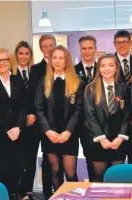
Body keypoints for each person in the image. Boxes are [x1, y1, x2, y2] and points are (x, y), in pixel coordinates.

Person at [35, 46, 84, 191]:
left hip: (69, 135)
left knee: (70, 174)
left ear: (67, 60)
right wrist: (47, 131)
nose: (57, 61)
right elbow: (39, 108)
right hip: (50, 135)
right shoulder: (43, 81)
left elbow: (79, 110)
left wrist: (68, 131)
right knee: (55, 172)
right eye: (54, 57)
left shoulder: (77, 82)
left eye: (61, 58)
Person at [0, 48, 27, 200]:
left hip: (17, 134)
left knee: (15, 170)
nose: (2, 63)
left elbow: (23, 106)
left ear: (10, 61)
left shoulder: (17, 80)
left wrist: (18, 128)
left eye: (5, 60)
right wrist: (7, 130)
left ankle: (13, 196)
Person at [84, 53, 130, 182]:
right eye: (103, 66)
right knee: (99, 177)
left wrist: (121, 137)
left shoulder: (124, 88)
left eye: (110, 65)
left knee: (116, 179)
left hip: (118, 142)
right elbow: (89, 116)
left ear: (116, 68)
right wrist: (102, 139)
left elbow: (127, 115)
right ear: (99, 69)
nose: (107, 69)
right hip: (98, 141)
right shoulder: (91, 89)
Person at [29, 34, 58, 199]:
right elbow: (35, 97)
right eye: (45, 46)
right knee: (47, 160)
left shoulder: (65, 66)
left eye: (51, 45)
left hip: (61, 122)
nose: (49, 48)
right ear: (41, 49)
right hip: (44, 122)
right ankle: (48, 193)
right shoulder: (36, 69)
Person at [11, 41, 40, 200]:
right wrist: (23, 119)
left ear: (30, 55)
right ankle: (16, 192)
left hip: (34, 124)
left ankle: (27, 192)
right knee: (17, 160)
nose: (23, 56)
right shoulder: (10, 73)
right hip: (17, 124)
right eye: (20, 53)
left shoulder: (36, 72)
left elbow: (39, 97)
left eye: (27, 53)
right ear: (16, 55)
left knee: (31, 159)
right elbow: (11, 103)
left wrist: (33, 115)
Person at [113, 30, 132, 164]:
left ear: (130, 43)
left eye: (124, 42)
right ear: (114, 44)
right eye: (118, 43)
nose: (121, 46)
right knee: (117, 159)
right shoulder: (109, 63)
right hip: (116, 118)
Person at [74, 35, 98, 182]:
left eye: (90, 48)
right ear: (80, 50)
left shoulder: (104, 68)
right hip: (82, 124)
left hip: (102, 123)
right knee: (90, 158)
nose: (87, 51)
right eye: (84, 48)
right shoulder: (73, 71)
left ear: (95, 49)